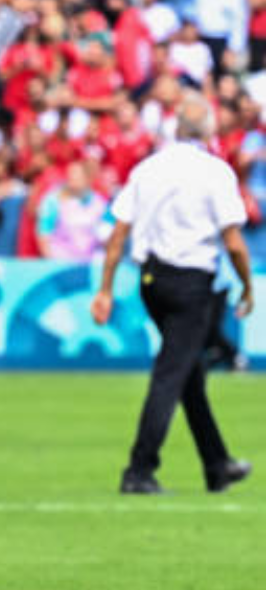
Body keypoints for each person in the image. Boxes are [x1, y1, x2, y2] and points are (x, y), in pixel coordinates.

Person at [91, 96, 254, 495]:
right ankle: (139, 470)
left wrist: (106, 288)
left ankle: (218, 465)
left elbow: (118, 233)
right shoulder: (216, 172)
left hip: (152, 281)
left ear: (176, 127)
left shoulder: (148, 168)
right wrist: (248, 285)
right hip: (192, 282)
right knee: (171, 374)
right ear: (210, 130)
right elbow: (233, 241)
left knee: (186, 373)